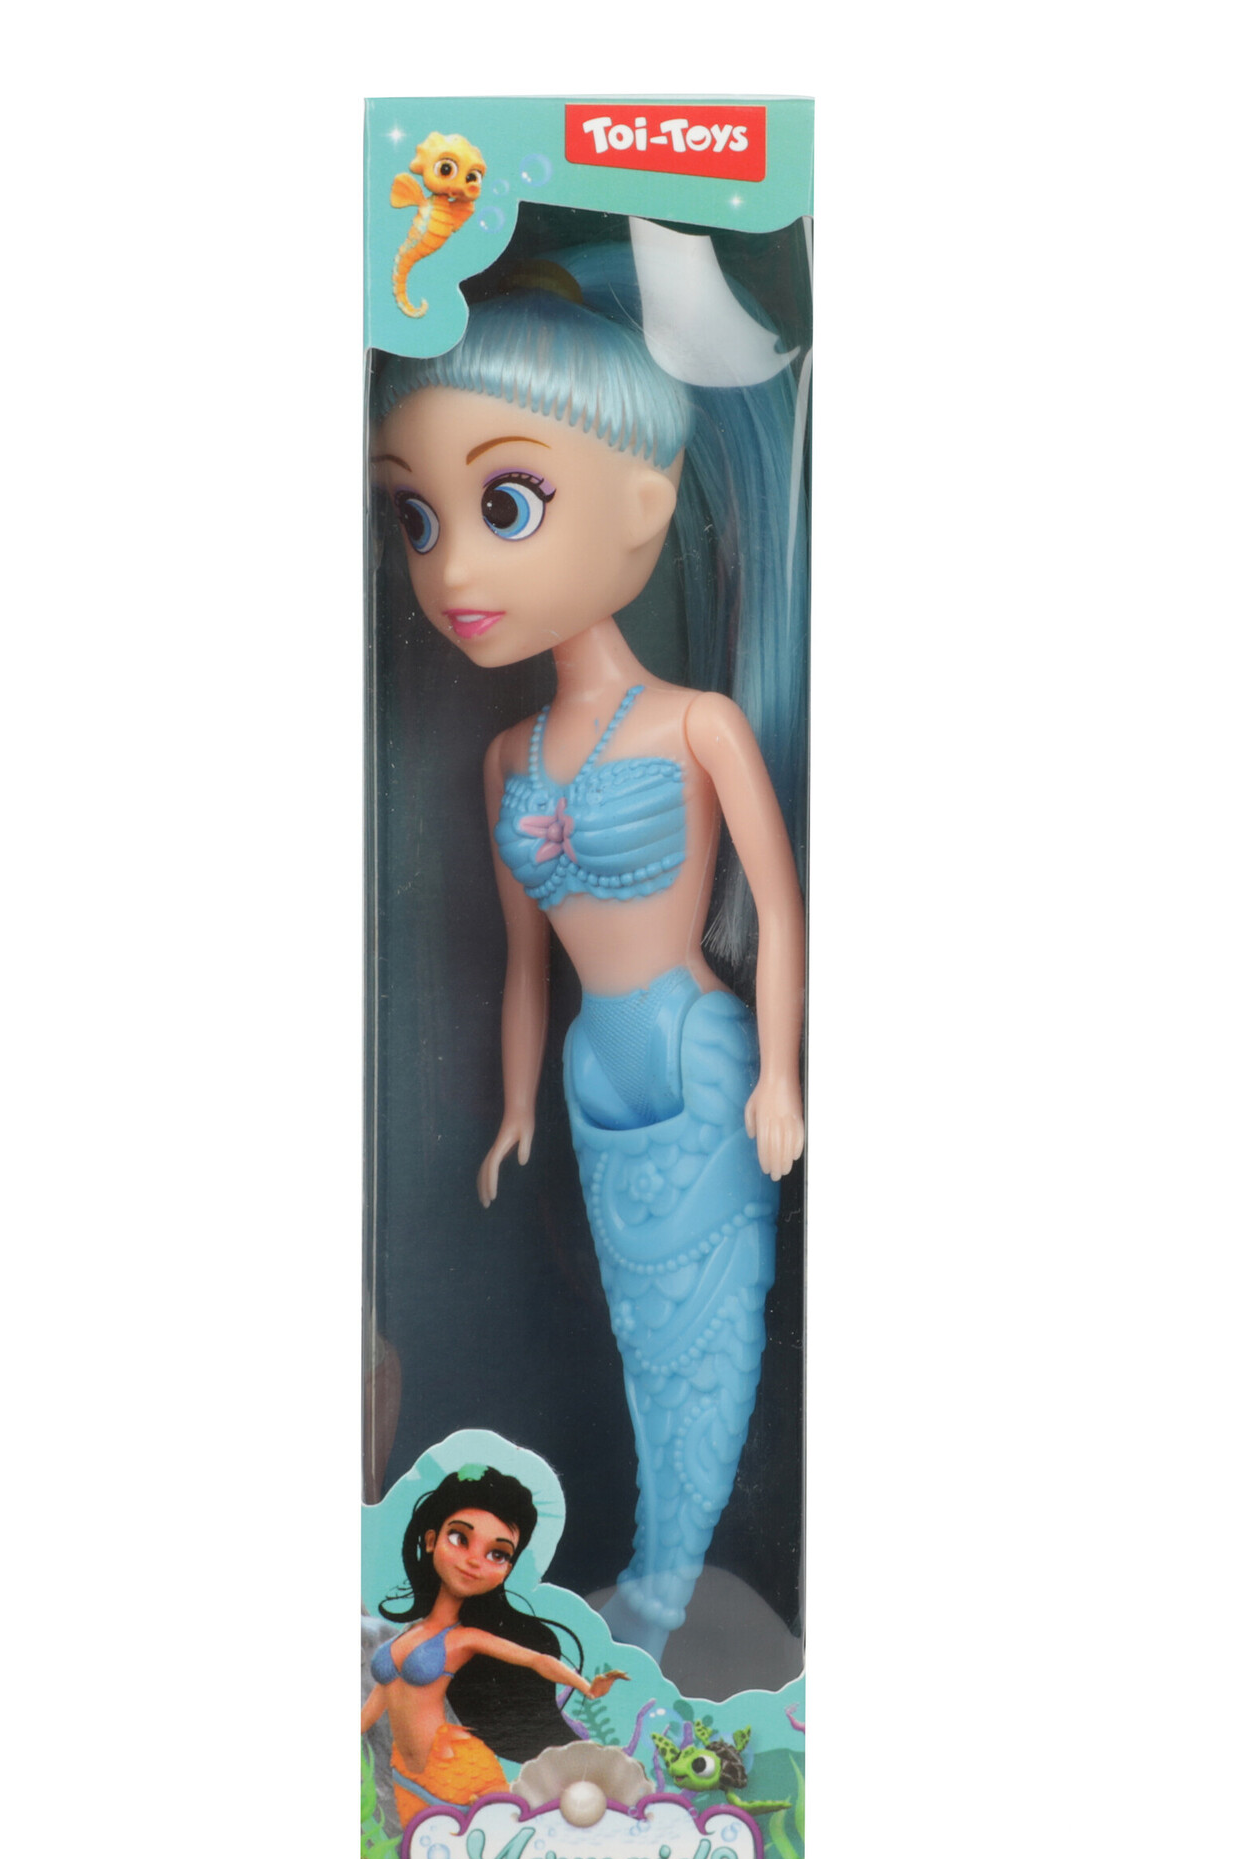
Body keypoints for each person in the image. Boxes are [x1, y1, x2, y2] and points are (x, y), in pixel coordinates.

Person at [368, 228, 808, 1660]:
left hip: (693, 1057)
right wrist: (511, 1107)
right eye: (413, 516)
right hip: (587, 1074)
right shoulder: (506, 759)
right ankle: (655, 1581)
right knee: (637, 1334)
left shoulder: (696, 724)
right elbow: (523, 962)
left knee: (706, 1342)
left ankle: (673, 1590)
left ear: (644, 501)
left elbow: (780, 909)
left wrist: (781, 1076)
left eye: (505, 502)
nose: (449, 565)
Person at [361, 1463, 624, 1826]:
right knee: (418, 1857)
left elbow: (536, 1660)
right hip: (407, 1776)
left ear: (507, 1570)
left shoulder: (464, 1638)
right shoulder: (405, 1634)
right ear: (431, 1539)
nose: (474, 1561)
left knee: (497, 1842)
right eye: (460, 1538)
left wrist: (587, 1687)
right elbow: (381, 1697)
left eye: (497, 1554)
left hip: (458, 1771)